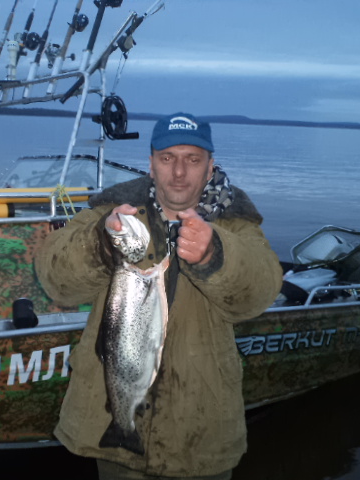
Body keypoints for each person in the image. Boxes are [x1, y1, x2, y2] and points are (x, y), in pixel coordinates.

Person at [35, 112, 283, 479]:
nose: (179, 172)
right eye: (167, 158)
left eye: (192, 159)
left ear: (210, 167)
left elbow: (259, 293)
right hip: (110, 433)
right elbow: (56, 280)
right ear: (151, 164)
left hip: (199, 438)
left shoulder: (236, 222)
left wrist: (215, 255)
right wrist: (100, 243)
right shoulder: (113, 212)